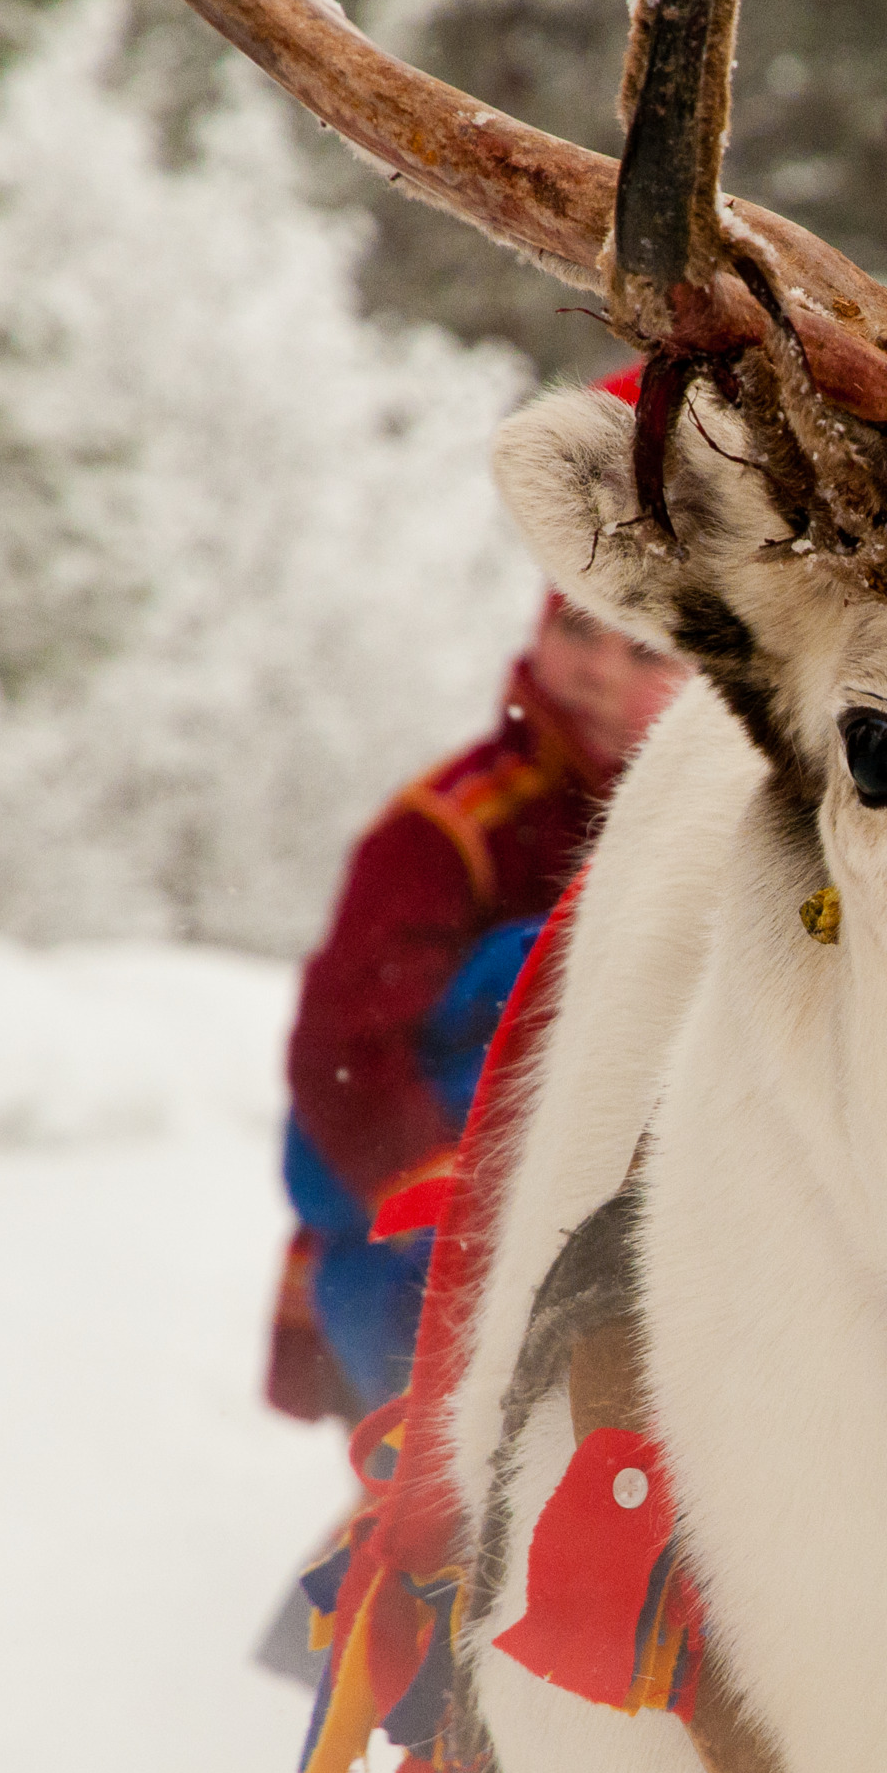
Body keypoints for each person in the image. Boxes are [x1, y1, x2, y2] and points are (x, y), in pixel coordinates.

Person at [264, 585, 689, 1421]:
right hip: (426, 1256)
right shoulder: (451, 824)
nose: (596, 671)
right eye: (577, 629)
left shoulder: (708, 828)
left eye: (643, 650)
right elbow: (342, 1050)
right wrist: (459, 1218)